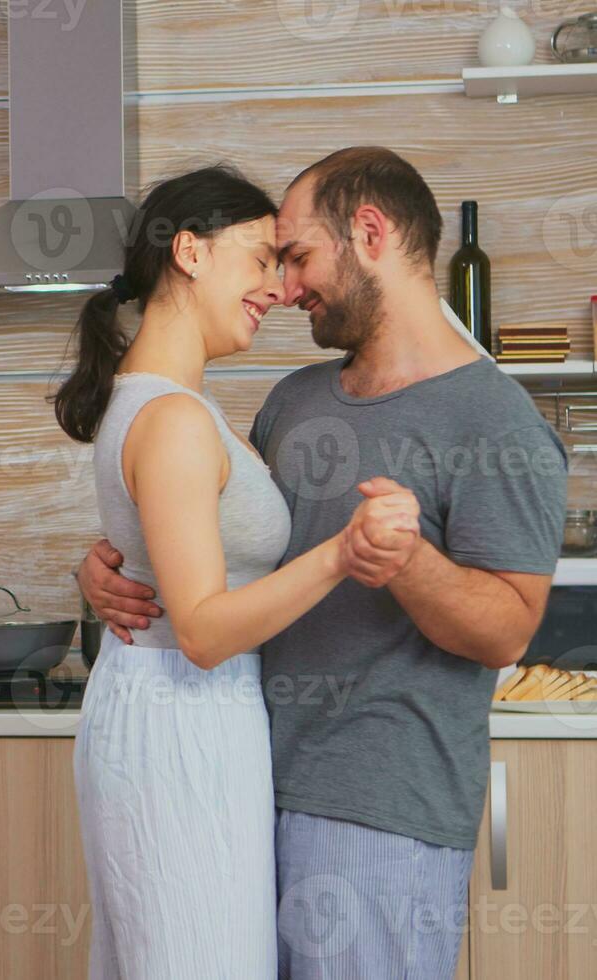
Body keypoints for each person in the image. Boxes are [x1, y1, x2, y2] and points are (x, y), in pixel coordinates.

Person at [78, 147, 568, 978]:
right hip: (239, 779)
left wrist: (405, 559)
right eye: (271, 262)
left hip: (373, 808)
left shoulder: (496, 421)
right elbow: (223, 545)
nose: (287, 286)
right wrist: (107, 574)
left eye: (297, 256)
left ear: (369, 234)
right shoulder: (293, 402)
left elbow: (506, 632)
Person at [52, 164, 423, 979]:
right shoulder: (175, 416)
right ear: (189, 251)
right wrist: (343, 553)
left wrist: (100, 565)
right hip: (181, 724)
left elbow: (161, 548)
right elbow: (204, 632)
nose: (281, 288)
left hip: (180, 719)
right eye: (261, 259)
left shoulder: (171, 404)